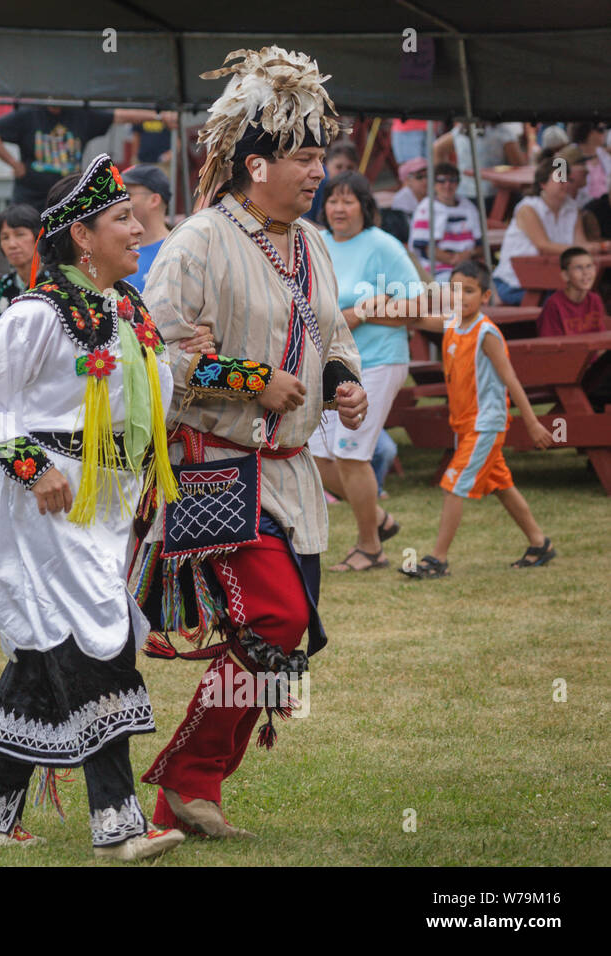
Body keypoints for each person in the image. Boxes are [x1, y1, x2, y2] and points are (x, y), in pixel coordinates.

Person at [138, 47, 367, 838]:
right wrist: (250, 380)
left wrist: (341, 377)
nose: (318, 174)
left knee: (282, 633)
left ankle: (194, 794)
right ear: (256, 162)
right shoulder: (199, 242)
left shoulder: (311, 244)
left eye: (321, 157)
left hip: (291, 473)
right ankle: (185, 785)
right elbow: (157, 355)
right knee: (275, 619)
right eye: (305, 158)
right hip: (216, 466)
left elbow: (331, 326)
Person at [0, 155, 193, 861]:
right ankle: (116, 819)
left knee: (46, 642)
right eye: (122, 219)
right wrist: (30, 468)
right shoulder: (37, 313)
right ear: (82, 237)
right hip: (52, 496)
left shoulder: (128, 309)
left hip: (111, 496)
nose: (139, 227)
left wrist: (250, 378)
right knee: (102, 635)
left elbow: (159, 387)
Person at [401, 262, 555, 578]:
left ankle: (438, 559)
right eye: (455, 289)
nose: (461, 297)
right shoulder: (452, 323)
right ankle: (540, 544)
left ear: (485, 296)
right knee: (500, 484)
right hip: (466, 424)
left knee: (453, 485)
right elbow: (414, 319)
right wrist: (371, 311)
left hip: (486, 424)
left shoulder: (486, 333)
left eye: (469, 290)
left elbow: (510, 378)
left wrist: (532, 421)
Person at [308, 171, 422, 571]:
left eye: (348, 200)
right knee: (319, 457)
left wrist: (363, 311)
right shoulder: (315, 242)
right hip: (330, 364)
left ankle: (370, 548)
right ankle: (378, 518)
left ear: (364, 206)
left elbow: (418, 308)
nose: (339, 208)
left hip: (378, 361)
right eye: (332, 200)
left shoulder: (383, 246)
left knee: (351, 455)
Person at [0, 106, 179, 209]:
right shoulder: (29, 114)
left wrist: (159, 117)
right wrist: (13, 163)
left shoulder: (80, 115)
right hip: (30, 198)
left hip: (68, 199)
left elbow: (120, 116)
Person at [492, 152, 606, 305]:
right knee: (564, 303)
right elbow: (544, 246)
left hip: (554, 281)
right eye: (560, 178)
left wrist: (599, 247)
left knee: (589, 298)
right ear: (543, 184)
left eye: (567, 179)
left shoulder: (572, 207)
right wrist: (588, 248)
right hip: (515, 282)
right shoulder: (528, 208)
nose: (565, 183)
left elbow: (580, 244)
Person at [409, 163, 482, 282]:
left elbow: (480, 246)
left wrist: (469, 253)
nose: (447, 185)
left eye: (452, 180)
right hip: (436, 269)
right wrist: (453, 259)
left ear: (458, 183)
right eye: (441, 181)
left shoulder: (469, 207)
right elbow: (424, 248)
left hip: (468, 265)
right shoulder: (426, 209)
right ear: (434, 184)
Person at [435, 122, 525, 204]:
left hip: (465, 192)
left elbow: (437, 148)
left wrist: (444, 178)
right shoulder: (502, 133)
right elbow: (520, 167)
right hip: (493, 194)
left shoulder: (460, 130)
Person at [0, 204, 46, 321]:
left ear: (38, 237)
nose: (12, 245)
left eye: (20, 234)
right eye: (5, 237)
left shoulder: (59, 283)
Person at [121, 164, 172, 292]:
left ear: (154, 200)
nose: (120, 202)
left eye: (127, 194)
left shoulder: (177, 250)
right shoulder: (116, 250)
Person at [536, 246, 607, 336]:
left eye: (589, 266)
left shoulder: (595, 300)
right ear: (565, 275)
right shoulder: (554, 304)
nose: (586, 273)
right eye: (578, 268)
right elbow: (550, 345)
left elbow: (601, 338)